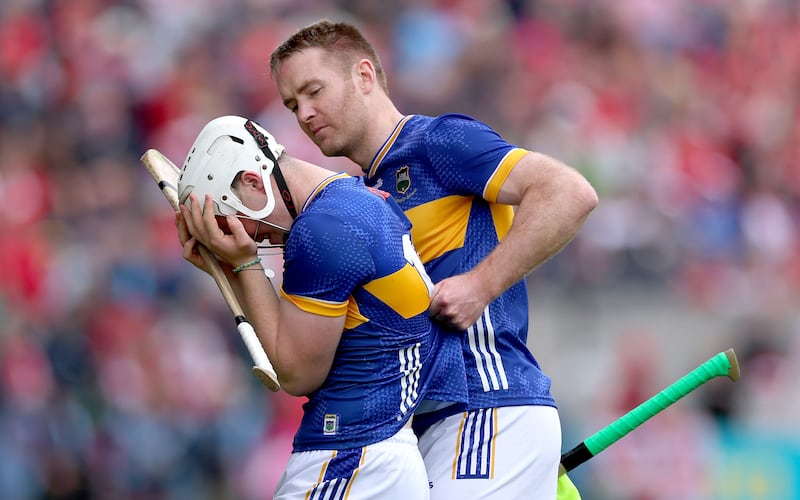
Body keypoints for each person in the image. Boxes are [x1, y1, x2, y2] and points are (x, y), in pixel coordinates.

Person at [269, 20, 599, 500]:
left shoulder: (438, 143)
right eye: (292, 104)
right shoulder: (354, 203)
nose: (305, 113)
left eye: (313, 90)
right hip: (413, 431)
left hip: (487, 407)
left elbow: (569, 192)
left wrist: (480, 285)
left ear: (364, 75)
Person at [174, 115, 467, 499]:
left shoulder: (322, 229)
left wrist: (244, 264)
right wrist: (230, 272)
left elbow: (296, 374)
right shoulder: (358, 199)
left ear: (252, 181)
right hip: (384, 455)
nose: (252, 235)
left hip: (349, 455)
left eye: (240, 222)